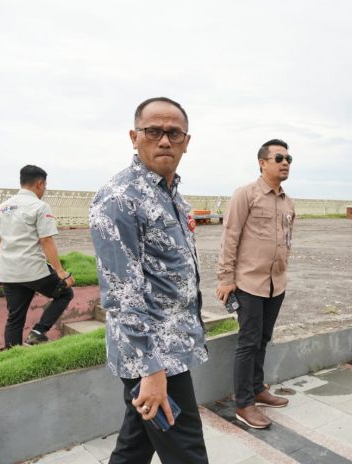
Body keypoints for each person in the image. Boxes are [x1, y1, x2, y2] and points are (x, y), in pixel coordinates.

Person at [89, 97, 209, 463]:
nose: (164, 141)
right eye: (154, 131)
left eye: (174, 133)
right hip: (155, 355)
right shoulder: (119, 198)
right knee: (187, 452)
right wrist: (150, 369)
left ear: (186, 141)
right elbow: (122, 295)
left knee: (134, 446)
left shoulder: (170, 194)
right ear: (134, 136)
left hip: (174, 342)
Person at [216, 139, 295, 429]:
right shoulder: (245, 195)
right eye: (279, 158)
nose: (285, 163)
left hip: (276, 283)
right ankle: (244, 404)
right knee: (248, 342)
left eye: (288, 158)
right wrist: (226, 278)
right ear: (263, 163)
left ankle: (258, 388)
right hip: (249, 282)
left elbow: (287, 239)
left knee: (263, 338)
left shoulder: (288, 201)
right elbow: (230, 237)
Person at [0, 165, 75, 347]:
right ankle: (38, 332)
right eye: (45, 186)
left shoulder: (0, 208)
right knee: (65, 293)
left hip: (8, 272)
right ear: (40, 183)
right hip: (33, 270)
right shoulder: (39, 206)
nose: (44, 189)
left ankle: (12, 361)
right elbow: (46, 240)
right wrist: (60, 271)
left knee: (15, 318)